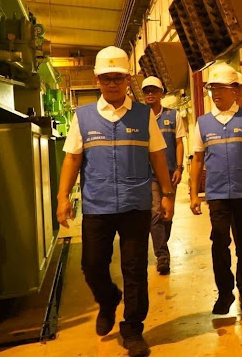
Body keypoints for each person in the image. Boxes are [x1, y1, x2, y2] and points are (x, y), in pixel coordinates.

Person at [56, 46, 175, 357]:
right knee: (92, 265)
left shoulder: (143, 115)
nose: (112, 84)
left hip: (136, 204)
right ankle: (108, 299)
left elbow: (157, 156)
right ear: (97, 80)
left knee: (135, 269)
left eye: (118, 78)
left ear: (127, 81)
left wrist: (167, 194)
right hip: (98, 204)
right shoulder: (83, 117)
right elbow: (72, 159)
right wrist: (62, 197)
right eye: (106, 78)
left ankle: (133, 329)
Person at [189, 63, 242, 314]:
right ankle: (225, 293)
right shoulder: (203, 123)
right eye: (212, 88)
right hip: (217, 195)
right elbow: (197, 160)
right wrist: (193, 194)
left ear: (234, 90)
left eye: (221, 88)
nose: (215, 93)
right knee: (219, 243)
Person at [141, 76, 187, 275]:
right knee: (155, 211)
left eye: (154, 90)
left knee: (168, 214)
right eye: (147, 91)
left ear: (162, 93)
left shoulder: (173, 116)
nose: (150, 94)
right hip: (148, 173)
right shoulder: (139, 116)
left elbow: (179, 143)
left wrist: (179, 168)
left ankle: (162, 245)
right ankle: (162, 256)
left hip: (169, 173)